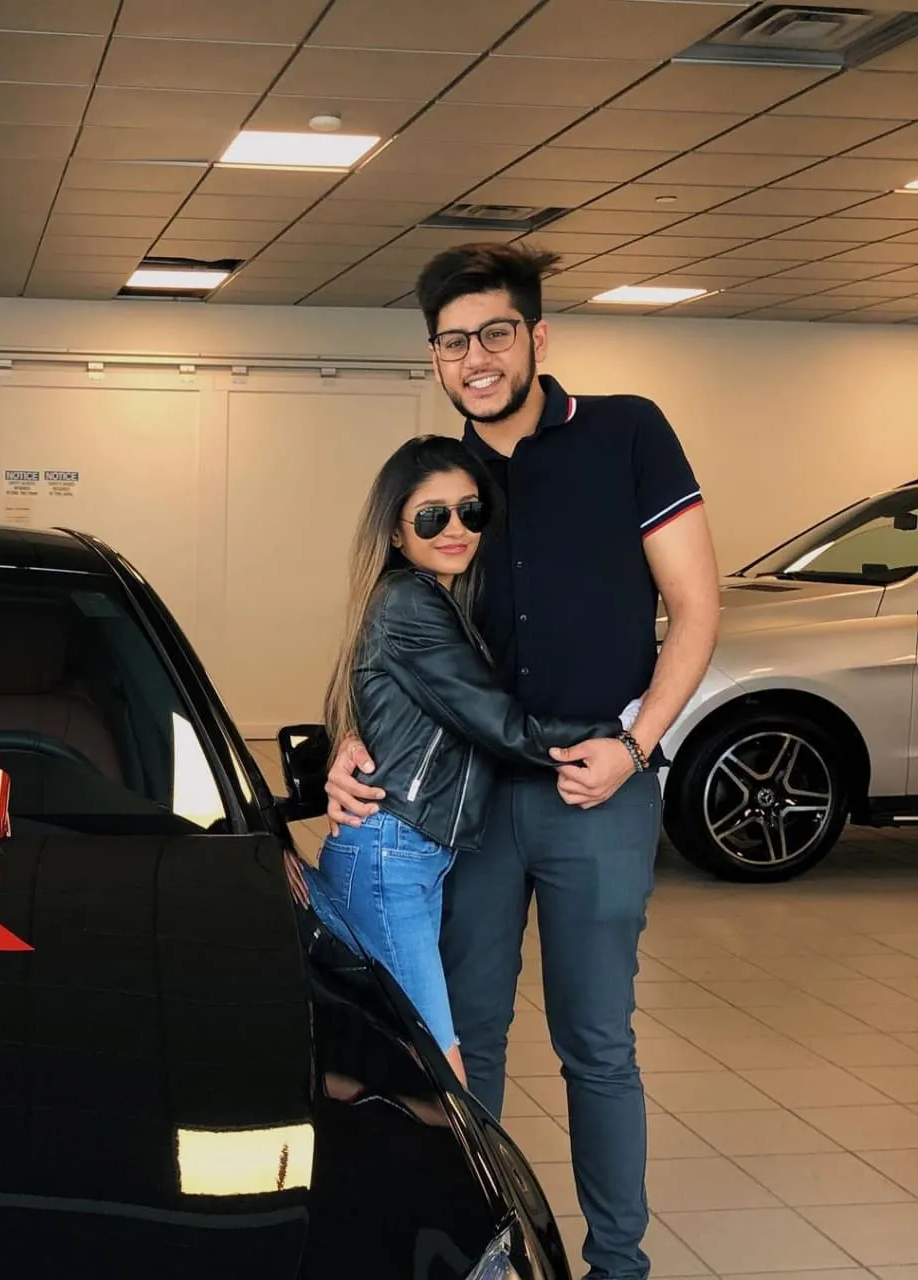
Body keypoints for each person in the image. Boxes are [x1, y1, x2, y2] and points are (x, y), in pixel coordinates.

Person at [324, 244, 721, 1280]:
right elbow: (396, 632)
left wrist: (633, 745)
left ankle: (618, 1264)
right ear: (435, 357)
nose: (477, 357)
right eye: (453, 341)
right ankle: (479, 1253)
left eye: (495, 332)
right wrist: (353, 742)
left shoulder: (628, 432)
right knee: (468, 1038)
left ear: (537, 336)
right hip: (471, 799)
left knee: (597, 1044)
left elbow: (696, 608)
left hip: (601, 785)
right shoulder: (442, 482)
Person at [302, 434, 623, 1088]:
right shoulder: (409, 603)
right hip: (391, 854)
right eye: (432, 516)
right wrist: (626, 737)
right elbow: (498, 724)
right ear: (396, 530)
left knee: (387, 1059)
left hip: (404, 853)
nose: (456, 529)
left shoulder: (435, 600)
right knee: (439, 1070)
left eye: (470, 512)